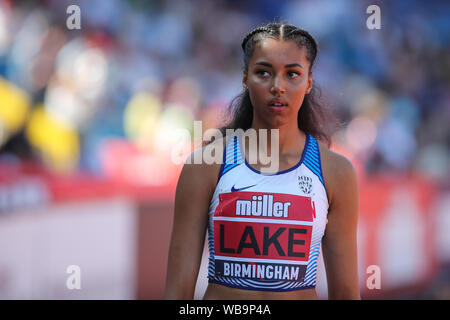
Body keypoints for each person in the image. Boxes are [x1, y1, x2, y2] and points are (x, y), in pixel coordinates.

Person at [164, 22, 360, 300]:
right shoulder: (206, 165)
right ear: (245, 78)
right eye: (263, 73)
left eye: (292, 74)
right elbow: (176, 293)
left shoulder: (336, 172)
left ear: (309, 82)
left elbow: (347, 292)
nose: (277, 86)